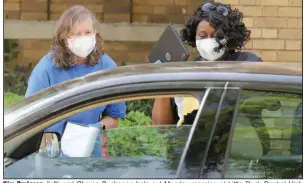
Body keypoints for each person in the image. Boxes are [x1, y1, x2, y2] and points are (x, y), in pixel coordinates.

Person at [25, 5, 126, 157]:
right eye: (77, 34)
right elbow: (28, 119)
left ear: (95, 34)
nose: (83, 38)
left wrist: (95, 128)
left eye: (88, 32)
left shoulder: (106, 66)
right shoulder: (46, 69)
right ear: (64, 38)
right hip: (52, 156)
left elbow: (114, 117)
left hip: (90, 156)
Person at [152, 0, 262, 126]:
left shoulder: (247, 63)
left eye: (217, 36)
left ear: (229, 37)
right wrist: (163, 79)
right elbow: (161, 125)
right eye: (202, 36)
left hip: (238, 142)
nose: (209, 41)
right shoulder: (185, 74)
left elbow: (265, 103)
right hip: (192, 143)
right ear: (194, 37)